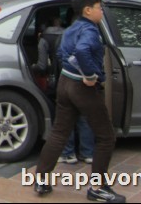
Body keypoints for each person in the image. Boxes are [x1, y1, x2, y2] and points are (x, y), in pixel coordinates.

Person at [33, 0, 125, 203]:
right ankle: (98, 188)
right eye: (99, 7)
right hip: (82, 88)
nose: (101, 11)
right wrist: (91, 75)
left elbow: (60, 54)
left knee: (58, 134)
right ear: (88, 10)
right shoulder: (90, 31)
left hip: (64, 83)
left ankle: (41, 179)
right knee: (106, 136)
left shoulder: (71, 29)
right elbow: (83, 51)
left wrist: (73, 69)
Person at [32, 15, 94, 166]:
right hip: (84, 81)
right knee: (83, 117)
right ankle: (88, 153)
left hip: (65, 80)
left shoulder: (48, 38)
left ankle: (68, 153)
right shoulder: (89, 36)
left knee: (65, 118)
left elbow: (45, 64)